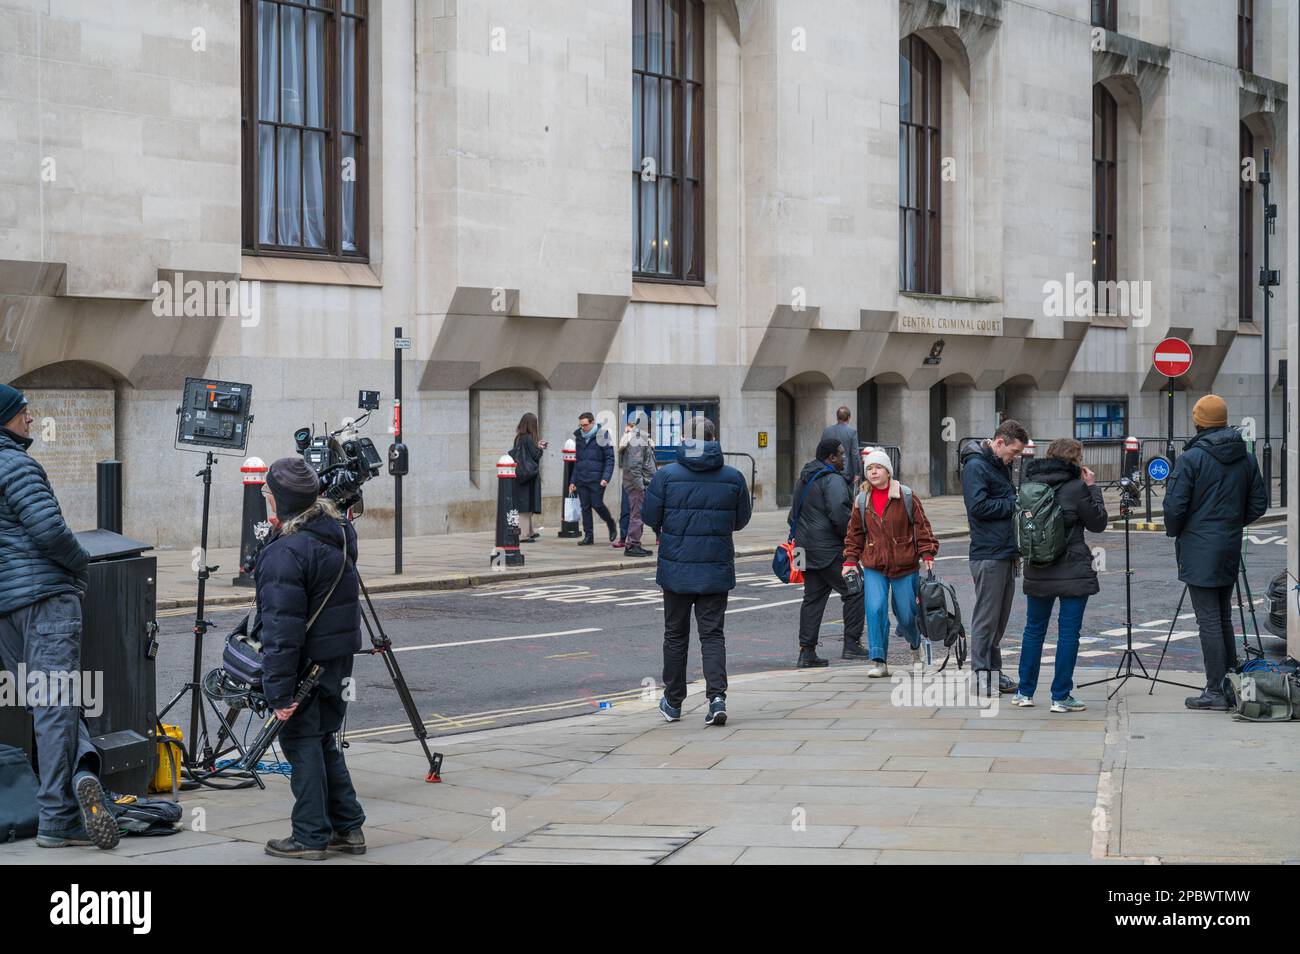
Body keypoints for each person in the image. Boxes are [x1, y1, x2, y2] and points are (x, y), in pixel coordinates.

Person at [0, 383, 118, 850]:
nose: (30, 419)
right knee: (55, 705)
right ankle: (57, 817)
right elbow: (50, 531)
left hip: (4, 609)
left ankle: (83, 771)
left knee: (47, 704)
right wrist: (81, 561)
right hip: (46, 600)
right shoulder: (17, 464)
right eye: (23, 411)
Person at [257, 457, 367, 860]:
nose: (264, 495)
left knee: (301, 742)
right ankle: (348, 829)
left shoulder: (287, 552)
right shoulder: (336, 532)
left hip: (306, 664)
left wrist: (279, 694)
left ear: (281, 500)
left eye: (268, 491)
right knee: (324, 741)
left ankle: (310, 835)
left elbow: (282, 632)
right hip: (338, 660)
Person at [643, 417, 751, 727]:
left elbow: (651, 515)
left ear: (682, 439)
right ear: (714, 436)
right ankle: (716, 698)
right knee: (713, 635)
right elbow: (741, 520)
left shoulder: (665, 476)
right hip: (715, 568)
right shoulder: (733, 477)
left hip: (676, 569)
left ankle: (674, 702)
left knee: (675, 636)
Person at [1163, 395, 1268, 710]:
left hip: (1199, 545)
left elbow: (1175, 507)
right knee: (1222, 616)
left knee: (1208, 619)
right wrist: (1231, 524)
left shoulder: (1192, 458)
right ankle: (1228, 685)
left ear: (1198, 422)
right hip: (1229, 544)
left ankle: (1215, 690)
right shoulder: (1245, 456)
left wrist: (1181, 529)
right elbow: (1258, 503)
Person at [1012, 438, 1108, 712]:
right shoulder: (1077, 487)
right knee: (1068, 633)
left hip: (1038, 566)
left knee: (1033, 630)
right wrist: (1093, 489)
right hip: (1072, 569)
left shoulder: (1029, 486)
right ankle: (1060, 696)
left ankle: (1024, 692)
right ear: (1076, 460)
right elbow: (1098, 523)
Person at [842, 448, 938, 676]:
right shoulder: (862, 499)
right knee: (875, 609)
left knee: (906, 614)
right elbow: (854, 533)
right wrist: (850, 559)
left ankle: (916, 647)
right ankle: (879, 661)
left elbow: (921, 526)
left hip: (905, 564)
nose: (873, 472)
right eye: (870, 469)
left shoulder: (905, 495)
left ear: (888, 471)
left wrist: (927, 553)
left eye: (878, 468)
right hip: (874, 564)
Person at [959, 419, 1028, 695]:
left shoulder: (998, 464)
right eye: (1013, 452)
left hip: (1004, 551)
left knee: (998, 620)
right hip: (988, 553)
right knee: (986, 619)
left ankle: (993, 672)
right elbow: (978, 506)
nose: (1015, 458)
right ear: (999, 442)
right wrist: (1015, 504)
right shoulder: (976, 466)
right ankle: (980, 676)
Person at [789, 439, 864, 667]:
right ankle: (851, 645)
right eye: (841, 454)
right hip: (830, 551)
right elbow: (840, 516)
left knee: (812, 599)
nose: (844, 458)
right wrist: (854, 539)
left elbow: (792, 516)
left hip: (806, 549)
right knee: (856, 590)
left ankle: (807, 651)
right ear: (830, 458)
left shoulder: (804, 478)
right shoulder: (833, 480)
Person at [568, 412, 616, 546]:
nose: (583, 428)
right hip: (582, 477)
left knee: (597, 504)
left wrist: (606, 477)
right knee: (585, 507)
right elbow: (578, 461)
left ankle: (610, 523)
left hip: (597, 478)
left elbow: (610, 459)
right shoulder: (579, 437)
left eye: (585, 425)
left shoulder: (603, 435)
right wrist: (573, 481)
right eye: (581, 425)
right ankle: (588, 536)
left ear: (592, 422)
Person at [616, 411, 656, 557]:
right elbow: (634, 467)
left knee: (638, 515)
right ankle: (632, 545)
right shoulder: (638, 440)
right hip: (637, 486)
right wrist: (640, 487)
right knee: (636, 516)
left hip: (639, 484)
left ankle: (635, 544)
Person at [510, 412, 546, 543]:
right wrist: (541, 448)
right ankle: (523, 535)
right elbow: (535, 456)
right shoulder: (528, 438)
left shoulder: (518, 437)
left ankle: (529, 531)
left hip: (521, 475)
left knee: (526, 502)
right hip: (528, 475)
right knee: (525, 504)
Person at [821, 406, 862, 487]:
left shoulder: (827, 431)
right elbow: (855, 454)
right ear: (849, 417)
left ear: (837, 417)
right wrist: (857, 473)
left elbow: (821, 450)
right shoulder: (852, 432)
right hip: (845, 472)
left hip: (827, 470)